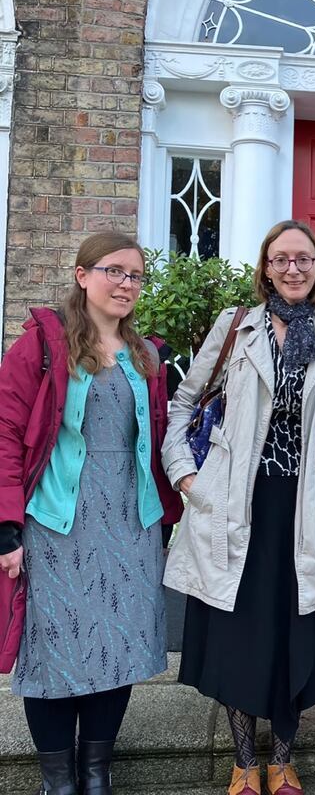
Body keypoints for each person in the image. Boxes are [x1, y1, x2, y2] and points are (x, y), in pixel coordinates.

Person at [161, 219, 315, 795]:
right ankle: (245, 763)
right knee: (239, 635)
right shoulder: (235, 326)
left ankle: (284, 759)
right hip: (235, 502)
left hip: (302, 506)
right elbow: (183, 403)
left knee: (295, 632)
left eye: (304, 259)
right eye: (281, 258)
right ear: (266, 267)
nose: (293, 268)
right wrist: (189, 478)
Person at [0, 232, 183, 795]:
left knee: (121, 642)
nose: (126, 284)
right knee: (53, 647)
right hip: (58, 523)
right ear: (82, 275)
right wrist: (7, 525)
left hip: (132, 523)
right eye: (114, 271)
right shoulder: (42, 346)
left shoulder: (148, 353)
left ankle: (96, 772)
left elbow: (157, 439)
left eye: (136, 275)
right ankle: (59, 780)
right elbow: (6, 433)